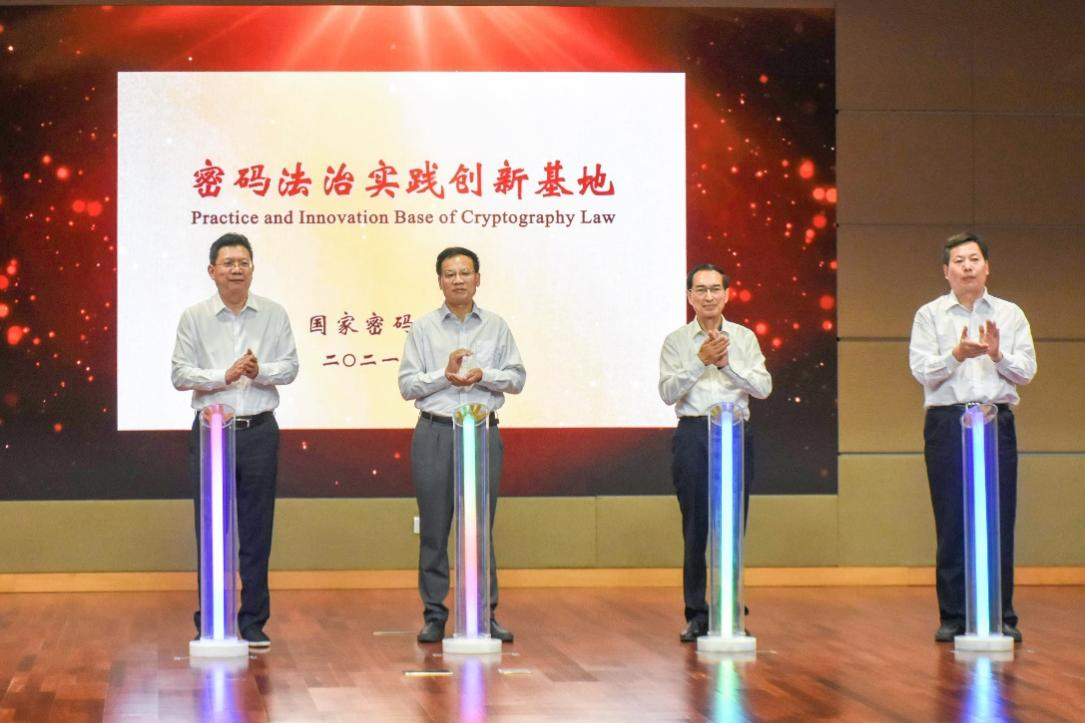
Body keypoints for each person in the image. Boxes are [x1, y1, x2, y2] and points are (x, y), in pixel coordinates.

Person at [171, 232, 299, 649]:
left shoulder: (273, 314)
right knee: (211, 528)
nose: (237, 269)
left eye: (244, 262)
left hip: (259, 430)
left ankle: (254, 621)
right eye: (228, 263)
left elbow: (290, 367)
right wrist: (222, 376)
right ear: (212, 271)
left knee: (257, 530)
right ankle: (210, 617)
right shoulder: (194, 317)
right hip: (212, 431)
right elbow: (180, 375)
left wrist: (259, 371)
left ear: (252, 268)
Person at [909, 232, 1036, 643]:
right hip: (948, 422)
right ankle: (954, 616)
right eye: (959, 261)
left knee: (999, 518)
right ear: (946, 271)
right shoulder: (929, 315)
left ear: (987, 267)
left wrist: (997, 355)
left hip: (995, 420)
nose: (967, 267)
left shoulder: (1010, 314)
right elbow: (922, 371)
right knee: (951, 520)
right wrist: (957, 355)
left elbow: (1026, 372)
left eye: (974, 259)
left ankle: (1002, 615)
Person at [398, 246, 526, 644]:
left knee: (479, 527)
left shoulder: (496, 326)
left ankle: (484, 613)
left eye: (465, 273)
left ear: (477, 279)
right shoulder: (423, 328)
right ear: (440, 281)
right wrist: (445, 374)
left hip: (481, 431)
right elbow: (407, 385)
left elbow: (517, 379)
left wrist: (482, 375)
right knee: (434, 529)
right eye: (450, 274)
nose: (458, 280)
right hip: (435, 432)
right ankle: (435, 614)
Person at [659, 263, 772, 642]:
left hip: (735, 432)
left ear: (726, 295)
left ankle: (730, 610)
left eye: (715, 289)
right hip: (693, 433)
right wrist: (700, 361)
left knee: (733, 524)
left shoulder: (744, 338)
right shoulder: (676, 341)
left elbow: (763, 388)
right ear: (690, 297)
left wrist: (726, 365)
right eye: (701, 290)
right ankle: (696, 613)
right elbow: (667, 392)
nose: (708, 296)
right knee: (695, 526)